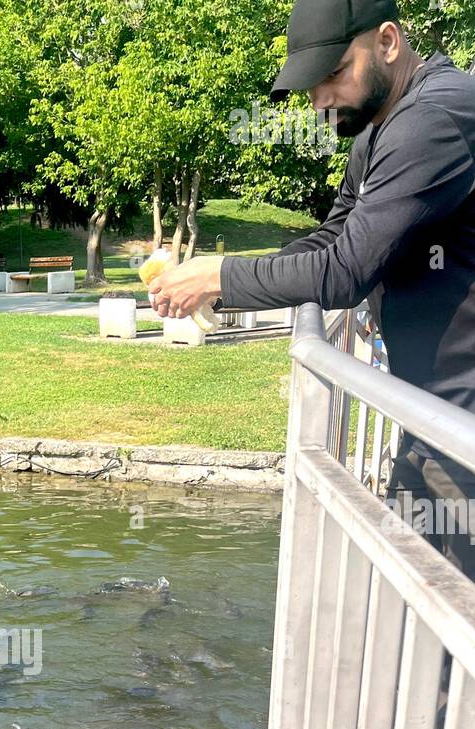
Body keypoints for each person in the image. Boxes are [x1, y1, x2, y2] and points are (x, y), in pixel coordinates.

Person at [151, 0, 475, 580]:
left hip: (463, 433)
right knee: (399, 600)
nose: (320, 99)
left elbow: (346, 271)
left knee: (440, 628)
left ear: (389, 42)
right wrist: (220, 288)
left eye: (333, 73)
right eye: (311, 84)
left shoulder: (433, 119)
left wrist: (221, 275)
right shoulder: (380, 127)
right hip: (433, 419)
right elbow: (333, 236)